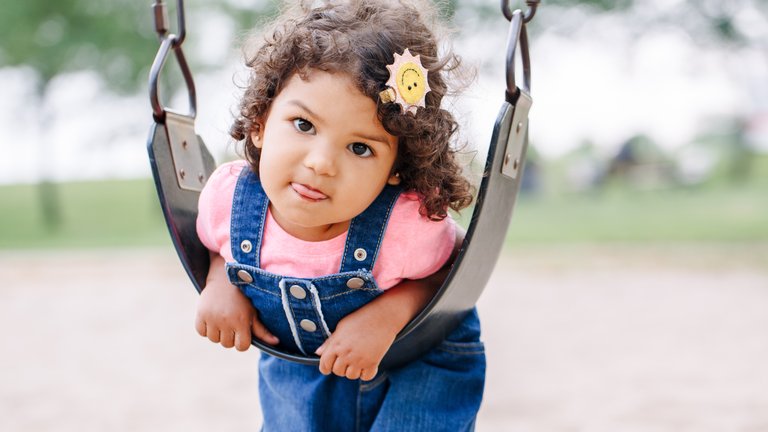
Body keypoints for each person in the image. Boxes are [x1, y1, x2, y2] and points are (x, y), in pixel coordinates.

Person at [194, 0, 485, 430]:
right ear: (260, 120)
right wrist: (221, 282)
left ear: (396, 170)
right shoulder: (228, 199)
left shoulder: (403, 225)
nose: (322, 163)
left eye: (360, 148)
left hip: (418, 363)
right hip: (304, 367)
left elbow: (451, 272)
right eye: (304, 125)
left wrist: (388, 316)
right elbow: (218, 247)